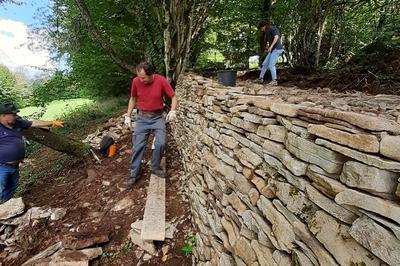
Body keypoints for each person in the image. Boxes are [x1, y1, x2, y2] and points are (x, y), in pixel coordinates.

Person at [124, 62, 177, 188]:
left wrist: (172, 110)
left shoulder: (161, 81)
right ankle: (134, 174)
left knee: (161, 142)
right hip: (142, 118)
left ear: (151, 74)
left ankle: (155, 167)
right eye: (139, 77)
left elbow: (173, 97)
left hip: (157, 117)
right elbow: (133, 98)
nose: (140, 80)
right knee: (138, 146)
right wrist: (128, 115)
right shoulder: (136, 81)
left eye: (143, 78)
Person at [0, 102, 64, 203]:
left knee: (12, 187)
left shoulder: (17, 123)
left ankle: (5, 208)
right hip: (2, 166)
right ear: (3, 115)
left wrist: (52, 122)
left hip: (14, 166)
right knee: (1, 188)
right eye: (13, 114)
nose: (15, 116)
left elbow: (33, 122)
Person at [257, 21, 284, 86]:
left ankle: (274, 81)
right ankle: (260, 79)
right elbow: (268, 42)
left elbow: (276, 37)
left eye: (261, 28)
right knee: (264, 64)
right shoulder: (267, 32)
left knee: (271, 65)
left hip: (277, 49)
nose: (261, 30)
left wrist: (271, 46)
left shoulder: (273, 28)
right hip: (272, 50)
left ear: (264, 26)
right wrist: (267, 47)